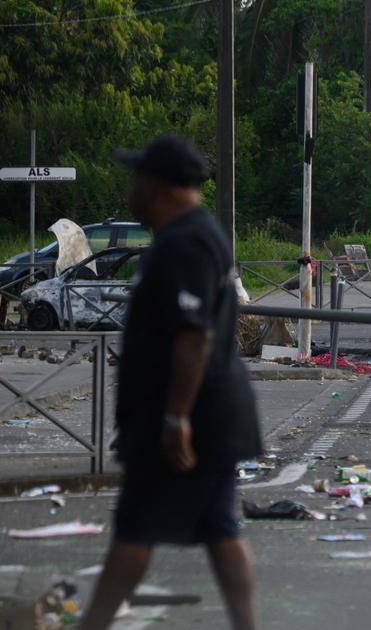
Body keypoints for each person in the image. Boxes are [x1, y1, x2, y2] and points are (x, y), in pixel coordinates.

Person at [80, 135, 263, 630]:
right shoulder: (189, 236)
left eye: (136, 178)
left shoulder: (186, 242)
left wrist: (174, 417)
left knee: (135, 529)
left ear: (156, 184)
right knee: (219, 526)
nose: (130, 190)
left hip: (189, 417)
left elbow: (192, 337)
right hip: (202, 414)